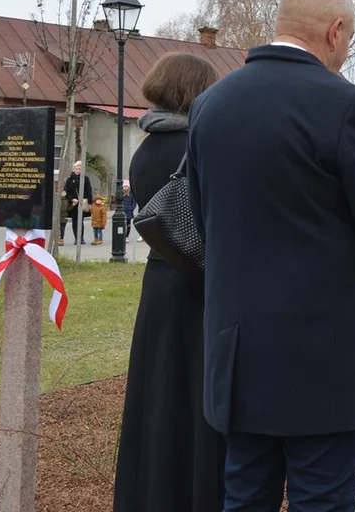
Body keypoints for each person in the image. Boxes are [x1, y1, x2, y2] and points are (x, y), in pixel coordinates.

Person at [186, 0, 355, 511]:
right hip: (325, 363)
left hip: (238, 360)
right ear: (335, 32)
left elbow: (204, 224)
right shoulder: (348, 107)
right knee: (322, 501)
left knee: (244, 498)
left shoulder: (210, 105)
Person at [113, 52, 225, 512]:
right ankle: (196, 496)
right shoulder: (199, 145)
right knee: (198, 402)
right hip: (199, 283)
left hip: (159, 282)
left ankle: (151, 495)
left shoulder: (145, 148)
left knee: (156, 398)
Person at [62, 161, 93, 245]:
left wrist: (90, 202)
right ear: (74, 169)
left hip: (82, 202)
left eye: (80, 169)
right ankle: (76, 238)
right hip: (73, 204)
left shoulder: (85, 179)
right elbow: (67, 192)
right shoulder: (69, 180)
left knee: (80, 221)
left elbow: (89, 190)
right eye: (77, 169)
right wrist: (72, 199)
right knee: (75, 221)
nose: (78, 170)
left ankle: (81, 238)